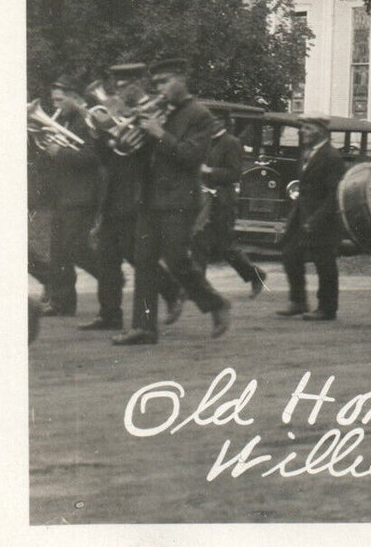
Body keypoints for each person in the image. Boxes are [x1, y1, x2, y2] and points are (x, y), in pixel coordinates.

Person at [112, 59, 231, 345]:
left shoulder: (200, 115)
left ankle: (216, 303)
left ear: (181, 79)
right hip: (150, 197)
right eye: (157, 84)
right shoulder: (160, 111)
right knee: (144, 262)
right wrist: (128, 140)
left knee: (177, 260)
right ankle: (144, 327)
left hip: (179, 198)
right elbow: (145, 154)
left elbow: (191, 157)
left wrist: (158, 134)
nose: (161, 89)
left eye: (165, 82)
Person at [85, 63, 182, 331]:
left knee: (134, 253)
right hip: (114, 190)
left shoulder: (156, 110)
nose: (119, 91)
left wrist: (129, 133)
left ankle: (172, 290)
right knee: (106, 256)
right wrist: (100, 134)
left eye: (125, 86)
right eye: (116, 86)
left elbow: (155, 150)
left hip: (140, 190)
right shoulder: (115, 110)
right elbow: (105, 156)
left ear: (139, 83)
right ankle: (109, 314)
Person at [38, 76, 103, 319]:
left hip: (82, 195)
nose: (56, 105)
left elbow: (93, 158)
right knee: (58, 251)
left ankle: (109, 276)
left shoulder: (86, 121)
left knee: (74, 247)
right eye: (54, 100)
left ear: (75, 97)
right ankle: (62, 303)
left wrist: (59, 152)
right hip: (63, 194)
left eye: (61, 100)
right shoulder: (62, 121)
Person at [193, 108, 268, 297]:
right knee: (199, 241)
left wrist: (209, 171)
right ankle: (198, 287)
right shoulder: (206, 141)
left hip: (223, 201)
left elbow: (235, 173)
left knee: (225, 246)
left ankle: (255, 275)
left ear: (222, 122)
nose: (209, 124)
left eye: (213, 120)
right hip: (205, 200)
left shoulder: (231, 143)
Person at [277, 116, 345, 321]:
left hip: (323, 221)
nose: (302, 131)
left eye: (307, 128)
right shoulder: (309, 154)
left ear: (321, 131)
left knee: (324, 263)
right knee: (290, 254)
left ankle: (327, 308)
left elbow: (334, 195)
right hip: (302, 216)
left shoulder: (331, 157)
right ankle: (298, 301)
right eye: (302, 128)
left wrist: (316, 219)